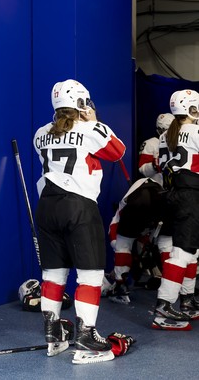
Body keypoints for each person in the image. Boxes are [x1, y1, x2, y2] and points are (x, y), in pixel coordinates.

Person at [33, 79, 126, 364]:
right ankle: (86, 336)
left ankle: (53, 331)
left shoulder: (40, 133)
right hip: (78, 206)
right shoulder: (89, 128)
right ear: (82, 104)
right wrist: (94, 119)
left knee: (53, 274)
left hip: (47, 205)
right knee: (90, 275)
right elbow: (118, 151)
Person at [153, 89, 199, 331]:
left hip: (171, 194)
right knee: (183, 253)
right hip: (190, 195)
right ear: (192, 109)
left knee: (190, 251)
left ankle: (187, 301)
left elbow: (160, 167)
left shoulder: (164, 136)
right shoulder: (194, 130)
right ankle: (164, 306)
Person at [106, 176, 171, 304]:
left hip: (141, 198)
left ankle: (120, 287)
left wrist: (119, 271)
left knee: (123, 245)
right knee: (167, 247)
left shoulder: (117, 219)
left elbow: (117, 242)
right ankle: (172, 287)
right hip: (163, 198)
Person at [138, 113, 175, 182]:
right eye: (167, 130)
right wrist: (154, 165)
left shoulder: (180, 142)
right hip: (157, 188)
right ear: (160, 130)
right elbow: (142, 170)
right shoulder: (150, 144)